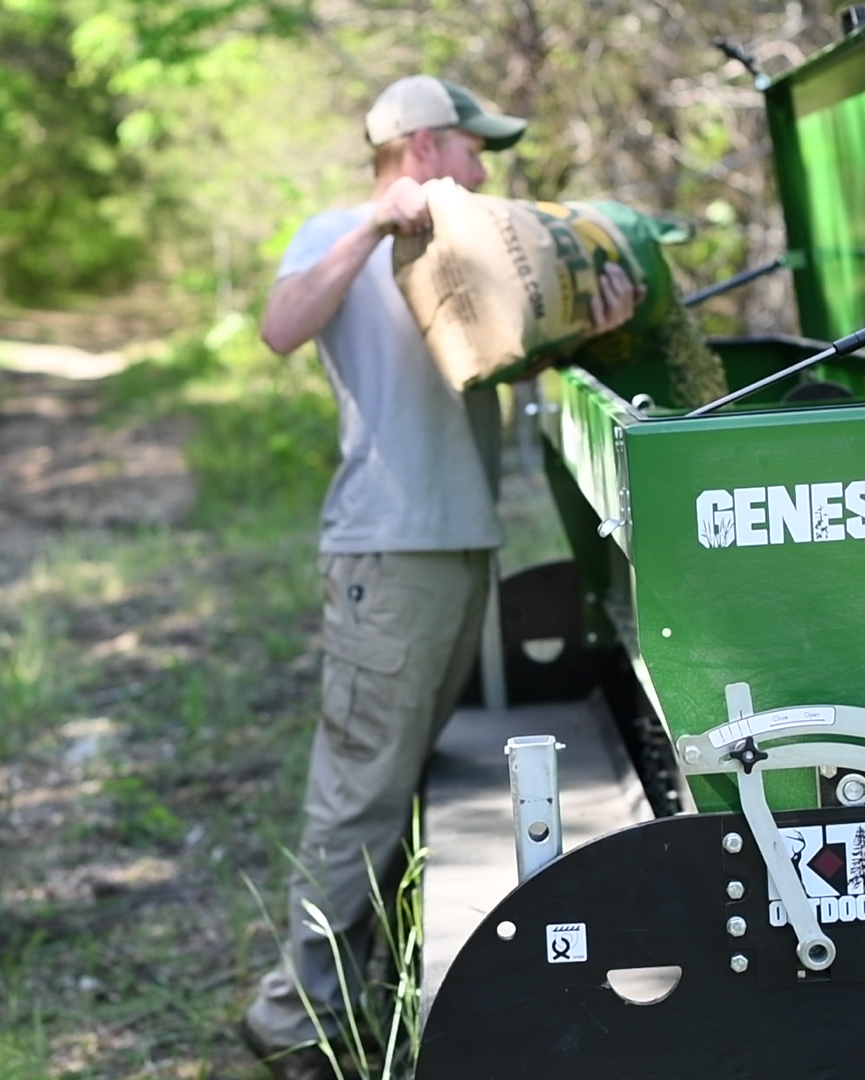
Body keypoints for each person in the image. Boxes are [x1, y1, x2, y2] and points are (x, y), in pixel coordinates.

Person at [242, 75, 641, 1079]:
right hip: (391, 549)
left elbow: (514, 355)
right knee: (363, 787)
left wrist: (599, 324)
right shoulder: (339, 232)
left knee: (404, 777)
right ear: (420, 146)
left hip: (458, 547)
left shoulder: (470, 251)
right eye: (473, 148)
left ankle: (363, 986)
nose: (484, 167)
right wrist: (374, 225)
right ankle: (294, 1019)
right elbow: (282, 327)